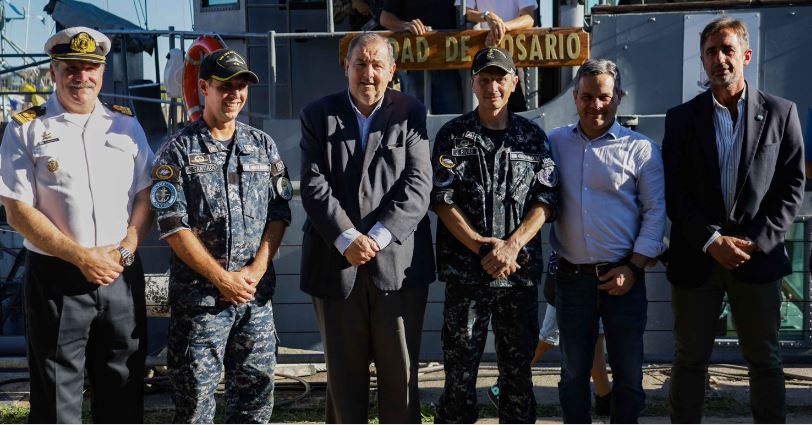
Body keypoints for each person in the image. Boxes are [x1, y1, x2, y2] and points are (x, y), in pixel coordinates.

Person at [0, 27, 153, 423]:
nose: (81, 76)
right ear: (54, 71)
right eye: (71, 67)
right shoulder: (26, 128)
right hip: (57, 276)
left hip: (120, 271)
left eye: (90, 67)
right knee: (56, 396)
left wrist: (127, 247)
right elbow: (17, 209)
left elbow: (146, 193)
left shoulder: (126, 126)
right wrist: (81, 257)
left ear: (101, 72)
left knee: (124, 386)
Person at [663, 17, 804, 423]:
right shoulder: (681, 119)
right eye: (711, 51)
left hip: (757, 259)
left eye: (727, 50)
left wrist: (755, 242)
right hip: (697, 257)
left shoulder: (781, 112)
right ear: (702, 60)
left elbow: (791, 188)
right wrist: (711, 241)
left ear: (746, 55)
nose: (719, 58)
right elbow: (674, 191)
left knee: (765, 359)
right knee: (690, 360)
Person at [299, 33, 435, 423]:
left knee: (401, 381)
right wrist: (346, 238)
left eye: (377, 65)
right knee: (343, 385)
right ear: (346, 67)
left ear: (392, 70)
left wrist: (374, 238)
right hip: (335, 265)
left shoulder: (411, 112)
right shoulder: (317, 114)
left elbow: (418, 184)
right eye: (360, 64)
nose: (368, 74)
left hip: (396, 267)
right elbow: (313, 184)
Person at [151, 48, 291, 423]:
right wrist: (222, 279)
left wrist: (256, 271)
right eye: (225, 85)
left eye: (241, 86)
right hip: (201, 303)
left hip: (254, 298)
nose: (235, 94)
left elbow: (279, 213)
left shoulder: (263, 146)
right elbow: (173, 225)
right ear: (204, 88)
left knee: (255, 399)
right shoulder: (177, 151)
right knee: (195, 403)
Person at [431, 46, 559, 424]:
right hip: (466, 277)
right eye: (484, 79)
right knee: (458, 377)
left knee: (517, 380)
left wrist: (511, 246)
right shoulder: (453, 135)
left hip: (517, 277)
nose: (492, 87)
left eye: (500, 79)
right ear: (473, 84)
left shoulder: (533, 137)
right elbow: (442, 199)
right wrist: (481, 247)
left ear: (514, 83)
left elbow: (547, 199)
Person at [550, 58, 666, 423]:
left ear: (618, 97)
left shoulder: (641, 149)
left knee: (628, 375)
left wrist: (633, 268)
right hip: (572, 279)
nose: (595, 105)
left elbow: (655, 214)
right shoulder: (554, 143)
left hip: (624, 278)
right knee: (572, 374)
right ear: (575, 97)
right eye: (587, 97)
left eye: (604, 96)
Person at [488, 252, 613, 416]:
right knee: (548, 338)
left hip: (591, 278)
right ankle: (505, 384)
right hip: (568, 278)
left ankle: (605, 397)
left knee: (595, 335)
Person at [380, 0, 463, 114]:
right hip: (415, 64)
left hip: (447, 63)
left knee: (452, 117)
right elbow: (385, 18)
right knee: (415, 117)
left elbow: (468, 10)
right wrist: (405, 25)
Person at [455, 0, 538, 112]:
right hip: (480, 57)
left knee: (516, 108)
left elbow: (528, 18)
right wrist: (486, 15)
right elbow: (464, 11)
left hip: (512, 57)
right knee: (478, 108)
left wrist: (501, 27)